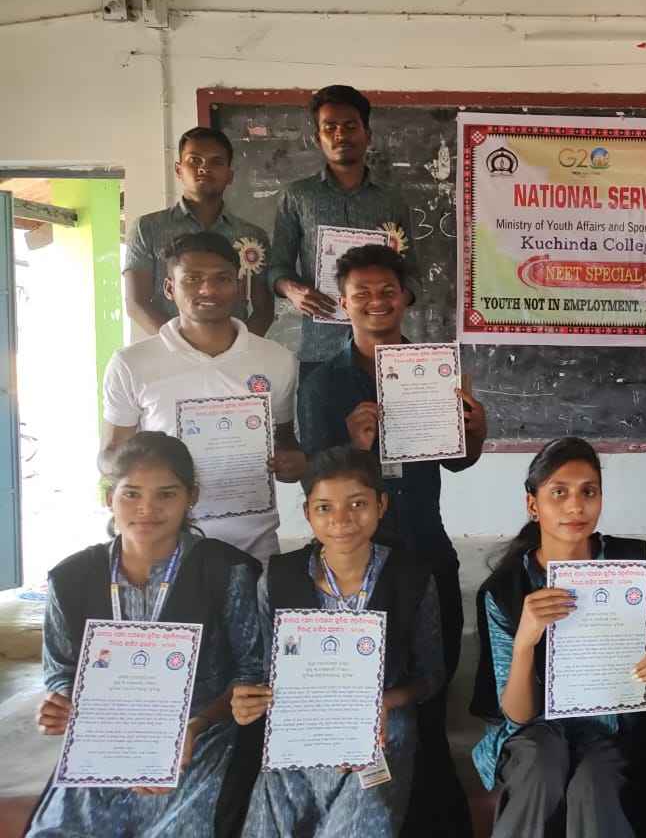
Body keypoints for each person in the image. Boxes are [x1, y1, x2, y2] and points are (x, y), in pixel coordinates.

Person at [295, 243, 483, 836]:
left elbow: (458, 461)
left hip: (427, 549)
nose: (376, 302)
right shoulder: (323, 382)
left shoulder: (433, 368)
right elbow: (312, 479)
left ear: (405, 298)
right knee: (361, 697)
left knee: (429, 693)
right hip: (353, 564)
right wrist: (352, 446)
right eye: (362, 294)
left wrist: (475, 430)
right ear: (343, 303)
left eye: (387, 291)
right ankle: (359, 812)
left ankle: (434, 817)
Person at [31, 433, 262, 838]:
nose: (147, 509)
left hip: (201, 736)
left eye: (166, 494)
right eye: (131, 494)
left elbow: (251, 670)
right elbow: (60, 669)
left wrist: (195, 726)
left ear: (191, 497)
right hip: (105, 738)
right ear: (110, 498)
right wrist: (62, 703)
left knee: (185, 827)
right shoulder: (70, 578)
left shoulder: (227, 571)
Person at [231, 447, 446, 837]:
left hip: (380, 729)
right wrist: (250, 699)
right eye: (324, 508)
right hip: (300, 730)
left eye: (357, 504)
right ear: (307, 512)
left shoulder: (410, 578)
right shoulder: (278, 579)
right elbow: (266, 672)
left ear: (381, 505)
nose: (341, 520)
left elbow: (430, 676)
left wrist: (385, 702)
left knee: (359, 816)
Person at [469, 437, 646, 837]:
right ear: (533, 505)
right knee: (541, 760)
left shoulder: (625, 569)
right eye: (559, 493)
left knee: (595, 781)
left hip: (610, 728)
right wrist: (525, 642)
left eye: (588, 492)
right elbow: (517, 715)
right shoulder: (505, 590)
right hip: (534, 731)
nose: (576, 506)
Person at [101, 232, 305, 562]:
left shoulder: (277, 360)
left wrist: (292, 463)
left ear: (238, 286)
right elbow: (110, 454)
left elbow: (285, 442)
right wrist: (149, 473)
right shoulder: (131, 363)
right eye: (192, 279)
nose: (208, 290)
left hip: (254, 548)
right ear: (170, 288)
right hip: (166, 547)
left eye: (222, 279)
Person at [267, 84, 421, 377]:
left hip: (383, 350)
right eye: (330, 127)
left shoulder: (391, 200)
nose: (340, 134)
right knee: (320, 408)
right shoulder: (298, 197)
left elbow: (411, 273)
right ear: (318, 138)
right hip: (320, 348)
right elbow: (277, 267)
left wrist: (397, 299)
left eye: (350, 126)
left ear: (367, 135)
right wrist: (292, 290)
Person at [125, 127, 274, 337]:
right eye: (194, 160)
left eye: (216, 162)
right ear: (179, 170)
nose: (204, 168)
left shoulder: (253, 237)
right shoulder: (147, 228)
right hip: (170, 351)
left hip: (235, 353)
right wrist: (181, 346)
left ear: (229, 175)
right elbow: (136, 303)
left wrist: (237, 349)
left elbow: (264, 310)